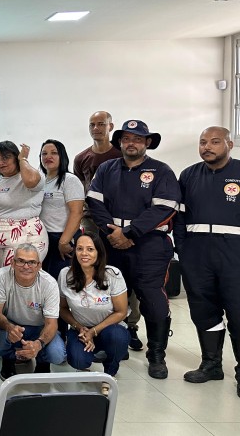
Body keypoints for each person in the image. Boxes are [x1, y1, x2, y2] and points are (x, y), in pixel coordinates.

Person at [86, 119, 179, 379]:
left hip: (149, 245)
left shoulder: (161, 171)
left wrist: (129, 233)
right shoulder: (106, 168)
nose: (132, 143)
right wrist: (113, 233)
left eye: (138, 139)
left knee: (152, 299)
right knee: (109, 297)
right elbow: (94, 202)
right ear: (120, 142)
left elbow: (165, 207)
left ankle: (156, 355)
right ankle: (114, 346)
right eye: (127, 138)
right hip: (111, 243)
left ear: (147, 143)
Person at [174, 126, 240, 395]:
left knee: (237, 312)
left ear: (230, 144)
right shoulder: (188, 175)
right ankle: (211, 364)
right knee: (203, 310)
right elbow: (179, 218)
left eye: (214, 142)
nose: (207, 147)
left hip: (234, 254)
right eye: (203, 142)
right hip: (197, 255)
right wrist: (183, 250)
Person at [73, 112, 143, 351]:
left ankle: (129, 325)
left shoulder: (120, 154)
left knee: (125, 276)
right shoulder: (81, 157)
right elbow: (82, 191)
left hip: (123, 225)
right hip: (94, 223)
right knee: (96, 273)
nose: (97, 128)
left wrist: (124, 232)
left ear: (111, 127)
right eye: (92, 124)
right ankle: (96, 326)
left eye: (101, 124)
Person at [0, 243, 66, 380]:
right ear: (12, 263)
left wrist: (38, 344)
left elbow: (51, 324)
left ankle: (42, 362)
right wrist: (9, 327)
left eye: (31, 262)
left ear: (39, 265)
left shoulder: (49, 283)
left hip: (39, 328)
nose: (26, 266)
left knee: (57, 354)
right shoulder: (1, 276)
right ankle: (8, 359)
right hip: (12, 326)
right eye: (21, 261)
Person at [59, 232, 130, 376]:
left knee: (117, 338)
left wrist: (94, 331)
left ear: (99, 252)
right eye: (79, 249)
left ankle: (110, 370)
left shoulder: (112, 274)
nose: (84, 253)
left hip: (109, 328)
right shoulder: (66, 274)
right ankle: (88, 357)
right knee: (78, 360)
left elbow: (121, 312)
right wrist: (80, 328)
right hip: (81, 329)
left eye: (90, 249)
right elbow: (63, 308)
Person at [0, 141, 47, 270]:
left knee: (19, 280)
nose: (0, 163)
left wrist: (23, 158)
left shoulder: (30, 175)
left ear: (16, 157)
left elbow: (31, 181)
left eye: (5, 158)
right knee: (3, 280)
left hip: (24, 239)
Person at [38, 139, 84, 281]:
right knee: (46, 282)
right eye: (44, 153)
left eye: (54, 153)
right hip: (44, 239)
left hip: (63, 238)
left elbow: (77, 212)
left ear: (62, 156)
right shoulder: (41, 181)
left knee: (62, 283)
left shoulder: (69, 180)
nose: (48, 157)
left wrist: (64, 241)